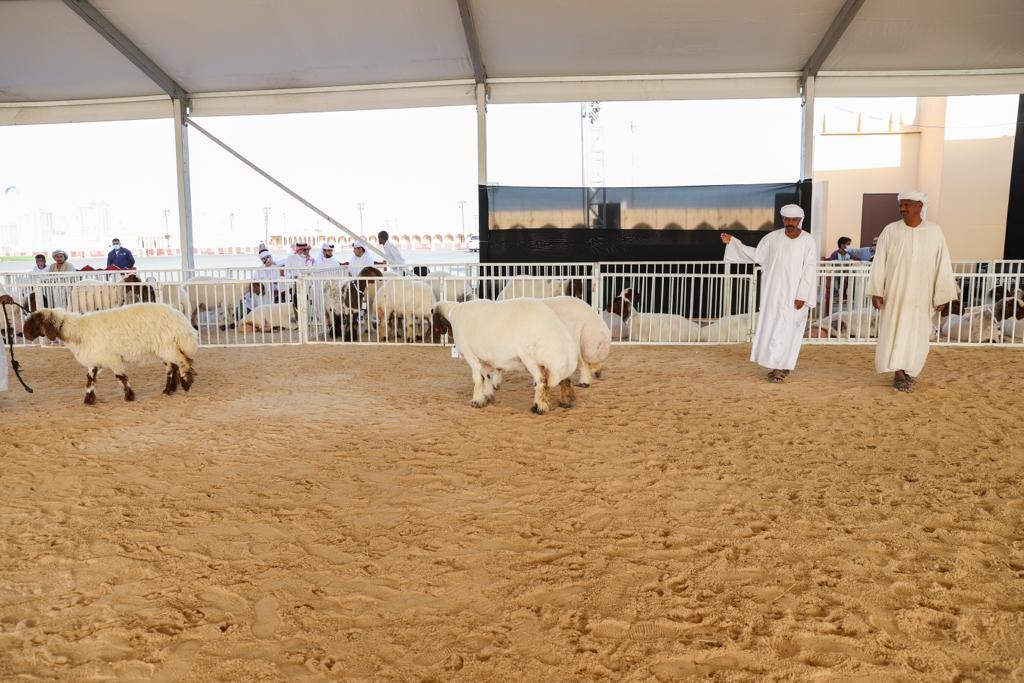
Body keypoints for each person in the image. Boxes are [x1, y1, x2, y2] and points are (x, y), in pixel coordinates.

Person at [867, 190, 958, 393]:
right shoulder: (890, 231)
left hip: (923, 295)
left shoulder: (934, 231)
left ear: (919, 206)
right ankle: (898, 372)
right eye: (901, 205)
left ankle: (910, 369)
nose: (902, 208)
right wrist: (877, 290)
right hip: (895, 292)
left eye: (907, 204)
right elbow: (879, 262)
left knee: (918, 332)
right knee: (896, 329)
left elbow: (942, 264)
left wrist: (941, 293)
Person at [720, 204, 818, 383]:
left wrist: (802, 294)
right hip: (774, 292)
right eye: (787, 219)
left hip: (797, 294)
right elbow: (757, 255)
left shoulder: (808, 241)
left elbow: (810, 268)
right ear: (783, 219)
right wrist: (734, 243)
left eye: (794, 220)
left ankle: (783, 364)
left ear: (800, 220)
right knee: (777, 327)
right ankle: (778, 368)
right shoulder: (772, 238)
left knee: (790, 329)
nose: (790, 223)